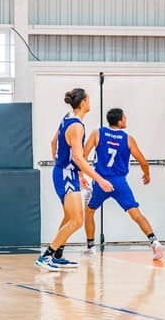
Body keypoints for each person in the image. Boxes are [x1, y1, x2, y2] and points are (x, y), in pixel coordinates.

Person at [35, 88, 114, 271]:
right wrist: (98, 179)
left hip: (65, 172)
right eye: (89, 99)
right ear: (84, 102)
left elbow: (53, 142)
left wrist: (60, 162)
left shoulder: (67, 117)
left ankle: (57, 255)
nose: (90, 102)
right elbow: (78, 158)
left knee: (70, 217)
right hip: (65, 174)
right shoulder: (77, 127)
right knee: (77, 220)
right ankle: (46, 256)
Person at [82, 108, 163, 260]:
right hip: (119, 182)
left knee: (89, 211)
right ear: (119, 121)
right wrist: (146, 174)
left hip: (101, 181)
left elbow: (83, 155)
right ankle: (155, 242)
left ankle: (91, 247)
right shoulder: (128, 139)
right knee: (136, 214)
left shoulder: (97, 133)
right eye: (124, 117)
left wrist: (81, 174)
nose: (126, 119)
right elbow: (143, 162)